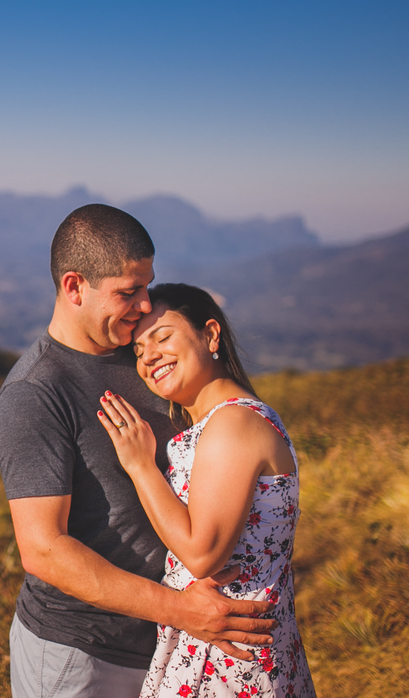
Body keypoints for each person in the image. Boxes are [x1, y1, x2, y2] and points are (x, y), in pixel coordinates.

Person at [0, 204, 276, 698]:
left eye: (147, 286)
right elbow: (43, 551)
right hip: (79, 655)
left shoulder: (146, 353)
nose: (145, 306)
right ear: (74, 287)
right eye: (128, 292)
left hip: (172, 645)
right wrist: (180, 609)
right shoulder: (35, 394)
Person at [97, 283, 315, 697]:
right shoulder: (221, 423)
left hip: (230, 663)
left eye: (162, 337)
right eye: (139, 351)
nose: (149, 357)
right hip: (223, 648)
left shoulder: (233, 424)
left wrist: (141, 466)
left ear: (211, 335)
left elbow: (202, 553)